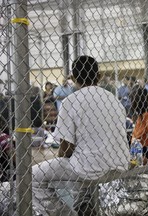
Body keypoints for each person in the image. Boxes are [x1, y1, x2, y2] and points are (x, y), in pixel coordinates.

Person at [32, 55, 130, 216]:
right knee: (81, 162)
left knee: (32, 177)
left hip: (90, 169)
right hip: (119, 164)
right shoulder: (114, 99)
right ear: (98, 76)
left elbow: (65, 149)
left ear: (73, 78)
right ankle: (84, 205)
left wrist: (63, 161)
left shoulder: (70, 101)